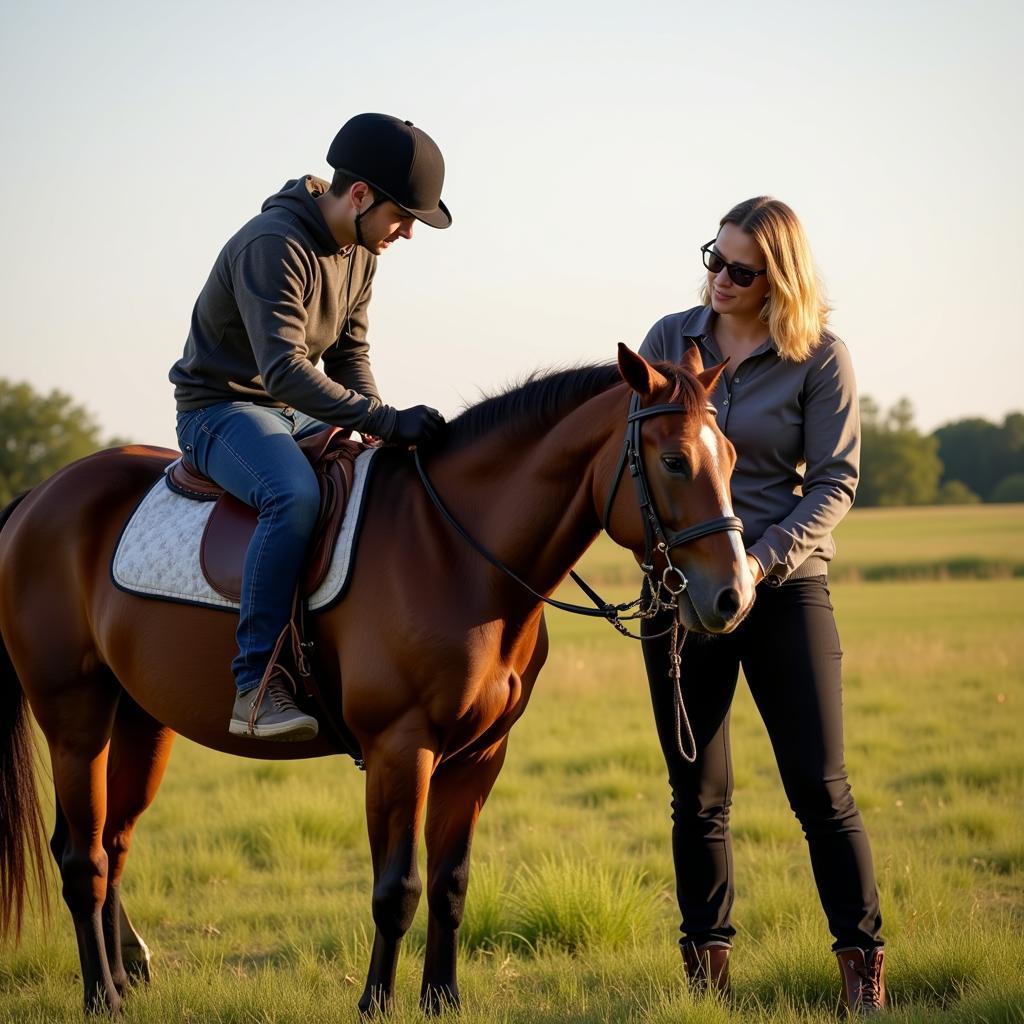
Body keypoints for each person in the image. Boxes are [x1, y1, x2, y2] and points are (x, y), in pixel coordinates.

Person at [638, 197, 885, 1013]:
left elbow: (837, 482)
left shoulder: (821, 358)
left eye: (740, 269)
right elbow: (632, 463)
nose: (718, 278)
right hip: (679, 596)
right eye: (714, 257)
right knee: (697, 794)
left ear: (776, 277)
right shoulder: (667, 342)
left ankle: (862, 977)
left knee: (821, 788)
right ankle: (707, 983)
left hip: (784, 589)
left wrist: (760, 560)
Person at [170, 113, 450, 743]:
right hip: (220, 410)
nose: (406, 233)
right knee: (292, 496)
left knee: (379, 476)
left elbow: (350, 357)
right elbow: (287, 370)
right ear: (359, 195)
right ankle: (255, 684)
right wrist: (381, 417)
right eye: (402, 216)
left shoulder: (361, 253)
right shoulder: (273, 246)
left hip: (290, 409)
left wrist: (380, 428)